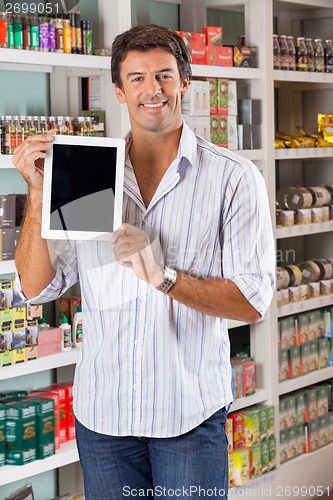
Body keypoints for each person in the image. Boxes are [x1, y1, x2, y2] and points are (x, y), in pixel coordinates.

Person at [13, 24, 275, 499]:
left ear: (185, 83)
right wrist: (37, 194)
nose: (152, 90)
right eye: (136, 78)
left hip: (188, 418)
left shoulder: (232, 179)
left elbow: (251, 303)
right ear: (118, 90)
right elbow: (36, 288)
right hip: (105, 420)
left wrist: (165, 277)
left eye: (164, 76)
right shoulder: (90, 173)